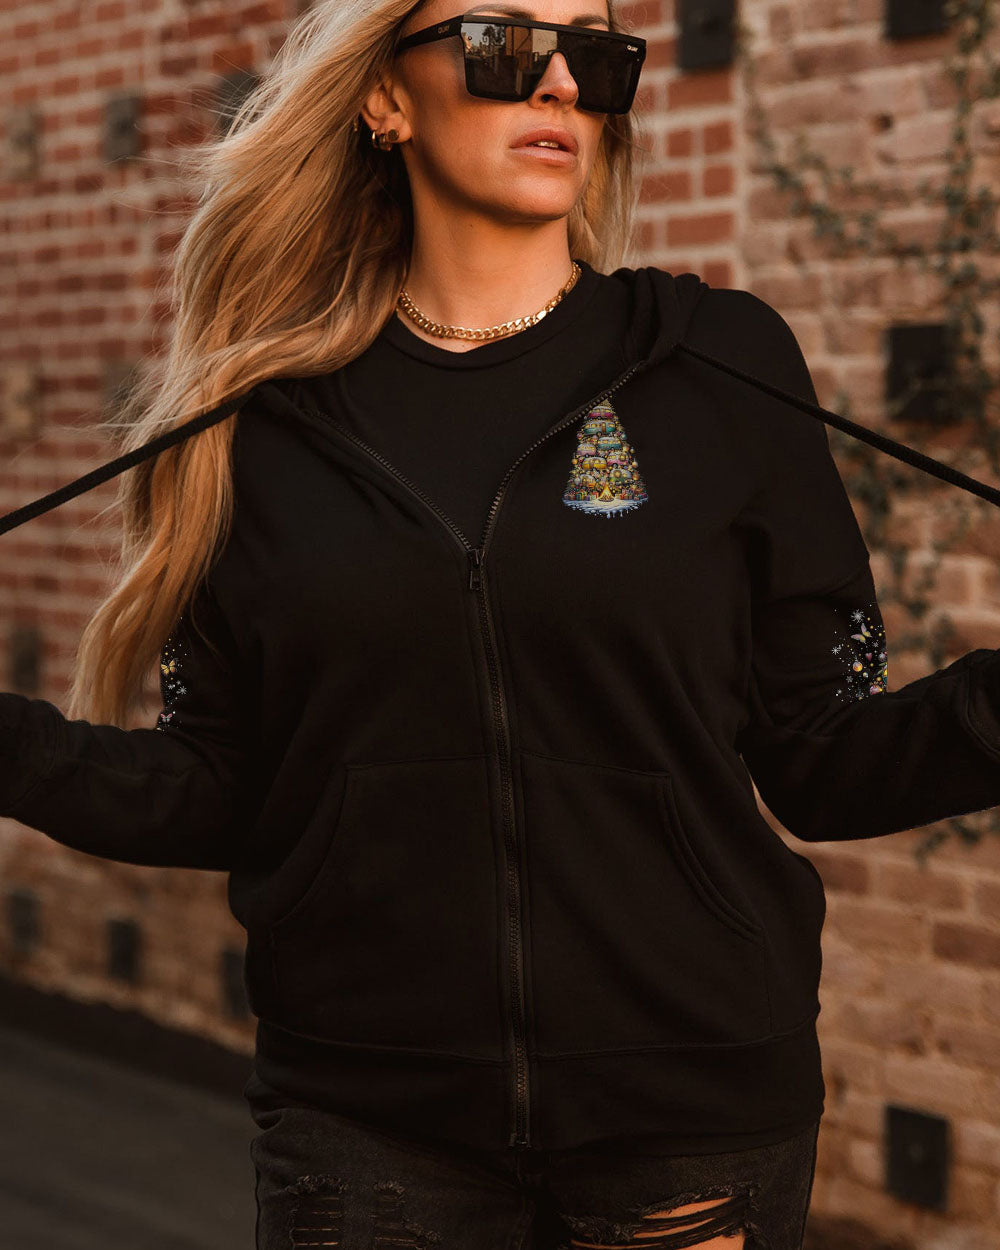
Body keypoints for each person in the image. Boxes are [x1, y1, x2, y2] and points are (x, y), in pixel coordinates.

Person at [3, 1, 1000, 1247]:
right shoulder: (258, 425)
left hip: (684, 1111)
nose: (560, 86)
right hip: (365, 1121)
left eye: (595, 54)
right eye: (504, 48)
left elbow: (825, 754)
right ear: (385, 98)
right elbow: (224, 784)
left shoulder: (718, 362)